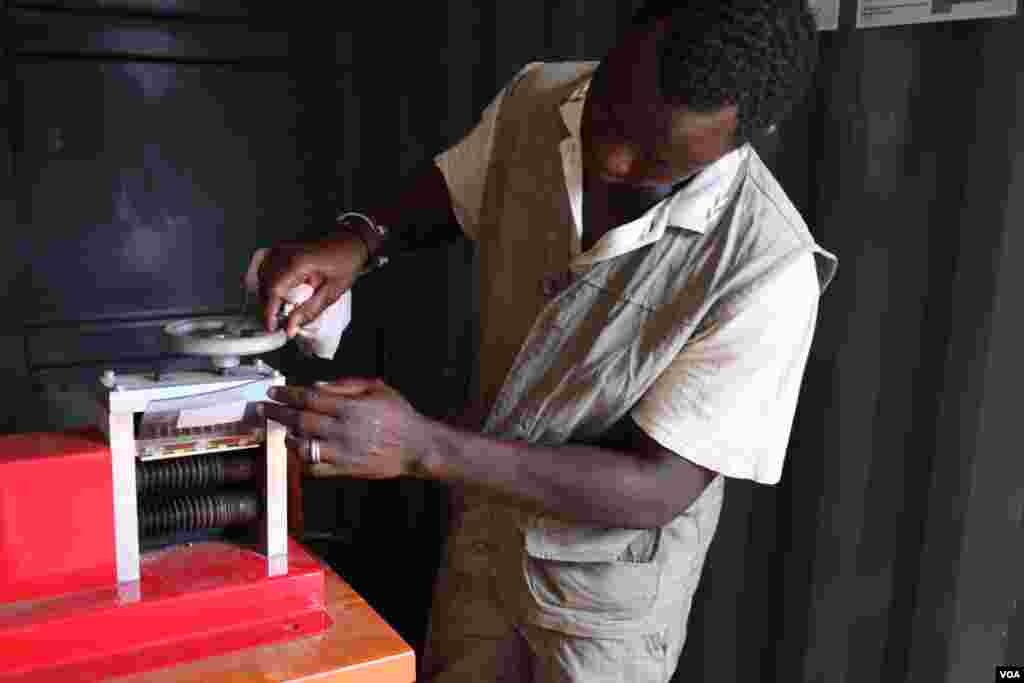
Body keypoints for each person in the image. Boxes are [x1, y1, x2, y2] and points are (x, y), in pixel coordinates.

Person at [256, 1, 838, 680]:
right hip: (483, 547)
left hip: (604, 610)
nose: (612, 157)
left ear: (744, 137)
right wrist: (360, 238)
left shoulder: (765, 265)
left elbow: (658, 486)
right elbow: (454, 189)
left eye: (656, 157)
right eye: (612, 112)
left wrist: (422, 447)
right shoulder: (541, 98)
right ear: (624, 38)